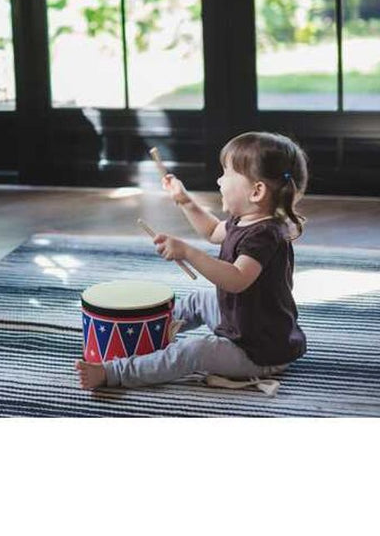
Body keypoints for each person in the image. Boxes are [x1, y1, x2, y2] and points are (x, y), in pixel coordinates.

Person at [75, 131, 308, 390]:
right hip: (242, 321)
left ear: (257, 191)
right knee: (200, 300)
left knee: (195, 350)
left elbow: (236, 280)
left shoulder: (266, 234)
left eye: (226, 173)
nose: (219, 180)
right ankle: (150, 334)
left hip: (258, 351)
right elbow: (211, 232)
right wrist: (184, 200)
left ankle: (114, 372)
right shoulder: (242, 220)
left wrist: (188, 252)